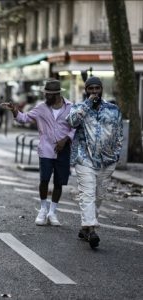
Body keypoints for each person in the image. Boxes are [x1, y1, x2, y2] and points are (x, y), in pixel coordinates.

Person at [2, 79, 75, 226]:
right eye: (45, 94)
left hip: (63, 150)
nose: (46, 97)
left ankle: (52, 212)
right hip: (46, 150)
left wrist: (66, 139)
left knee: (59, 182)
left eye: (49, 95)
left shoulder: (71, 108)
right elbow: (24, 118)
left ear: (57, 94)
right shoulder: (41, 108)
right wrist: (15, 110)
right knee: (44, 180)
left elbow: (76, 127)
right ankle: (43, 209)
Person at [66, 76, 123, 249]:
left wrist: (116, 154)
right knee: (88, 193)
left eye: (97, 89)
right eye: (90, 89)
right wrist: (87, 104)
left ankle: (85, 227)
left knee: (99, 195)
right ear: (86, 90)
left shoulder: (113, 109)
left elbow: (119, 133)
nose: (94, 92)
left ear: (101, 89)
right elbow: (72, 122)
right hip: (84, 158)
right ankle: (91, 230)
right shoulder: (79, 108)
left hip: (107, 160)